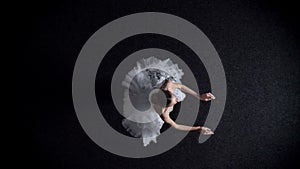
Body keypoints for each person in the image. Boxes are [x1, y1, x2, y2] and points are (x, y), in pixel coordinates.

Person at [121, 56, 215, 147]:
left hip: (158, 91)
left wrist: (199, 96)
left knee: (176, 88)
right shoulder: (163, 113)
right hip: (153, 98)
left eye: (175, 98)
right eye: (174, 102)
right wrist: (198, 128)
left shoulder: (168, 85)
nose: (177, 100)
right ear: (165, 106)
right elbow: (177, 126)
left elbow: (181, 87)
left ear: (168, 91)